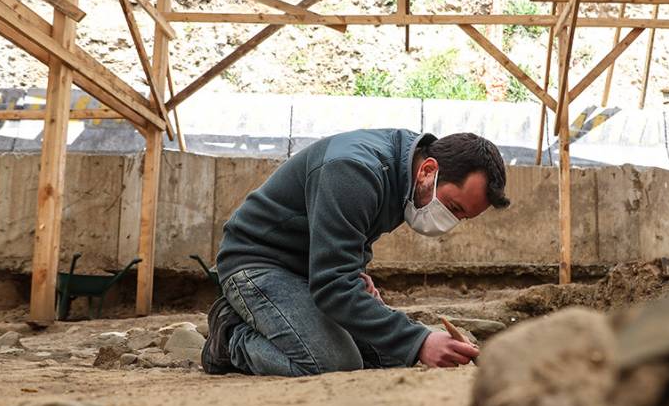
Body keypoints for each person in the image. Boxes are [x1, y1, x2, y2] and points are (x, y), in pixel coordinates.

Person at [201, 129, 510, 376]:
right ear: (429, 170)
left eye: (462, 217)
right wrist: (420, 340)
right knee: (331, 362)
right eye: (453, 207)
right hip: (257, 263)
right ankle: (231, 338)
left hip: (308, 270)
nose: (450, 220)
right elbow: (332, 287)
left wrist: (358, 273)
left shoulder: (405, 175)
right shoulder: (353, 170)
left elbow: (344, 243)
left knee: (392, 355)